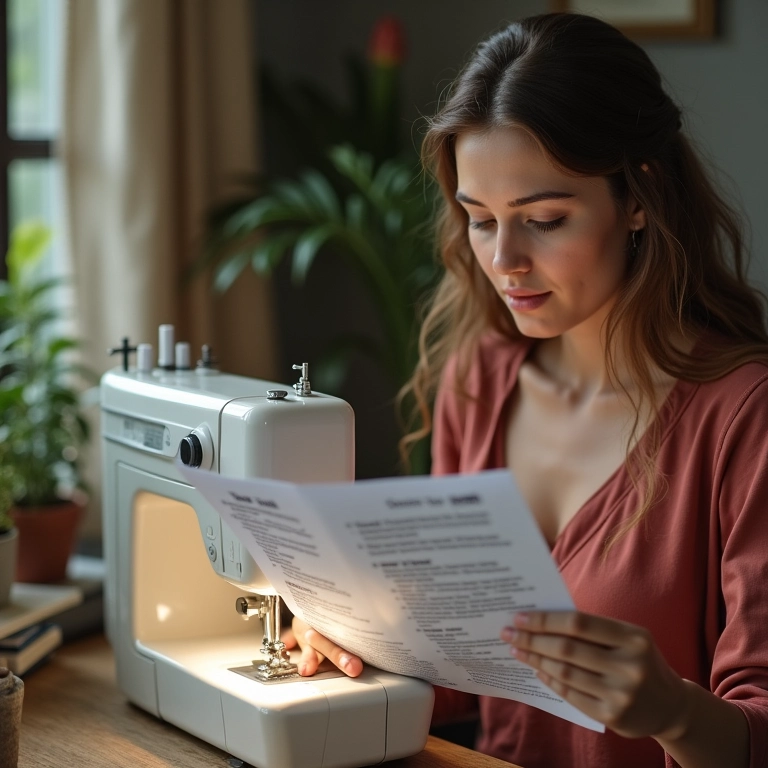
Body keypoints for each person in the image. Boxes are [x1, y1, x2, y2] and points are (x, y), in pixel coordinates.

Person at [283, 12, 768, 768]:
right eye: (479, 220)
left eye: (544, 219)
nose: (504, 259)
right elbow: (463, 679)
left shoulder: (744, 418)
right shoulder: (479, 381)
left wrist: (672, 710)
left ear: (639, 197)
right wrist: (362, 642)